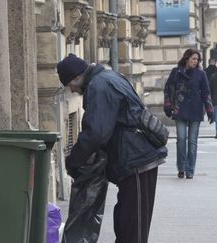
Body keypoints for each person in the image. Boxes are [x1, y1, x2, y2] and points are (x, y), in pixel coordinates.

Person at [57, 53, 167, 243]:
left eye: (71, 86)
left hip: (137, 161)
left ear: (77, 77)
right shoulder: (108, 78)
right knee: (125, 223)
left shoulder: (99, 86)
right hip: (133, 161)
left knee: (133, 229)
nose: (73, 91)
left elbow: (96, 133)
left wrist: (73, 161)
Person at [164, 49, 214, 179]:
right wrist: (168, 105)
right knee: (181, 139)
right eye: (193, 59)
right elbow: (168, 89)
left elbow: (206, 93)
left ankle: (190, 169)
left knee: (192, 141)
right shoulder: (176, 72)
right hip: (179, 109)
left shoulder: (201, 74)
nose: (195, 61)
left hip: (195, 110)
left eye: (197, 60)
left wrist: (210, 111)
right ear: (187, 59)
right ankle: (181, 168)